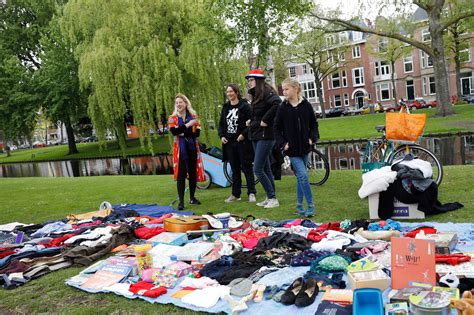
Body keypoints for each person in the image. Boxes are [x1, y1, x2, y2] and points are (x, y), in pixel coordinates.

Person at [274, 78, 319, 217]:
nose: (284, 92)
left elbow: (314, 124)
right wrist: (283, 143)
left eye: (286, 89)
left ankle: (299, 205)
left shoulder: (306, 105)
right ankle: (311, 206)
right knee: (303, 176)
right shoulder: (283, 108)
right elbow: (276, 128)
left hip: (305, 147)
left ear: (295, 89)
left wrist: (312, 138)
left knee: (301, 177)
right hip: (292, 150)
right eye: (283, 89)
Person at [245, 69, 281, 209]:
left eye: (251, 80)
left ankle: (272, 198)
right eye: (248, 81)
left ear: (258, 81)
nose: (249, 83)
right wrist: (251, 121)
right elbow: (258, 112)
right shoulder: (256, 95)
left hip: (266, 136)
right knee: (265, 168)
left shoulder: (267, 92)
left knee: (257, 168)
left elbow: (277, 103)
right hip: (256, 135)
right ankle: (270, 197)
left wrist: (265, 120)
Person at [218, 83, 257, 203]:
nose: (229, 93)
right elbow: (221, 125)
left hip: (242, 143)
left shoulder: (244, 106)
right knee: (234, 169)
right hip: (229, 143)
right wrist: (222, 136)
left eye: (231, 91)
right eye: (228, 91)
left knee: (247, 168)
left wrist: (243, 134)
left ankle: (251, 192)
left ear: (236, 92)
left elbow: (252, 122)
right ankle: (236, 194)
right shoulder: (225, 107)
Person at [168, 94, 205, 210]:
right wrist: (188, 125)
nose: (178, 104)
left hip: (192, 148)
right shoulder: (172, 118)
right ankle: (181, 201)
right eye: (177, 103)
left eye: (180, 102)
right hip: (180, 150)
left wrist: (182, 132)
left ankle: (192, 198)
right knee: (181, 175)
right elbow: (174, 132)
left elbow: (196, 134)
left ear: (186, 103)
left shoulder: (193, 116)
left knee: (192, 174)